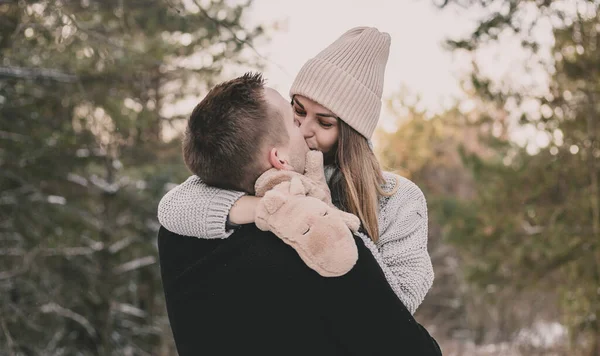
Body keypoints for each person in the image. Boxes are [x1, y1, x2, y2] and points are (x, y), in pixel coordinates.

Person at [158, 72, 442, 355]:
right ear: (279, 157)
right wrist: (318, 212)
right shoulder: (316, 242)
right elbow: (403, 340)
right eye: (296, 115)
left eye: (323, 121)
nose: (305, 130)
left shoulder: (177, 236)